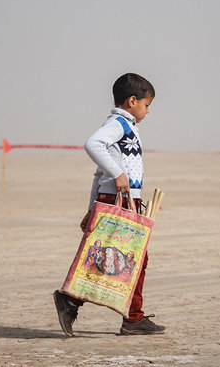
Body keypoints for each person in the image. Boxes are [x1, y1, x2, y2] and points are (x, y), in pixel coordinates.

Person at [53, 73, 166, 336]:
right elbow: (92, 144)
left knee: (133, 258)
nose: (148, 111)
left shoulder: (128, 127)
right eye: (147, 105)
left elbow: (97, 172)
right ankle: (72, 301)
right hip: (118, 201)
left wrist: (92, 206)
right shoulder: (119, 123)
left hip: (122, 200)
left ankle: (133, 317)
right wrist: (118, 174)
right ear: (132, 100)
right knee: (115, 257)